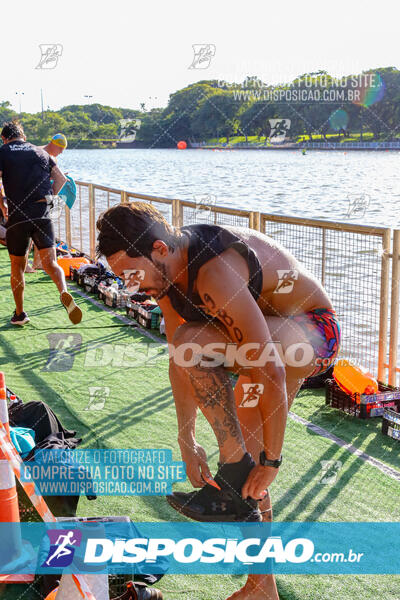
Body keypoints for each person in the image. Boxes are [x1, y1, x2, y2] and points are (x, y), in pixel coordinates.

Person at [96, 202, 341, 600]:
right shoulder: (166, 276)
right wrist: (186, 439)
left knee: (249, 453)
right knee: (244, 460)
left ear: (160, 248)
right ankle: (261, 585)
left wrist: (273, 460)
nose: (132, 285)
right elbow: (181, 361)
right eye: (123, 278)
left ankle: (235, 468)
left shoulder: (215, 270)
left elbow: (270, 368)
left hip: (311, 334)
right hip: (257, 345)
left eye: (132, 274)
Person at [0, 121, 82, 326]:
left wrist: (2, 205)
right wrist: (51, 201)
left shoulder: (3, 151)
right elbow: (62, 180)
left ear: (4, 138)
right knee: (50, 262)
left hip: (18, 214)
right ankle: (64, 291)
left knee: (17, 266)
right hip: (43, 212)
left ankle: (20, 314)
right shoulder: (41, 153)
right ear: (24, 137)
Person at [25, 132, 69, 272]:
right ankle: (26, 264)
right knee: (31, 232)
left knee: (41, 232)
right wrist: (53, 199)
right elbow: (60, 179)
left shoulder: (42, 153)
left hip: (38, 196)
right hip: (39, 198)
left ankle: (37, 263)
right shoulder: (43, 154)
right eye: (61, 149)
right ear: (54, 144)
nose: (61, 152)